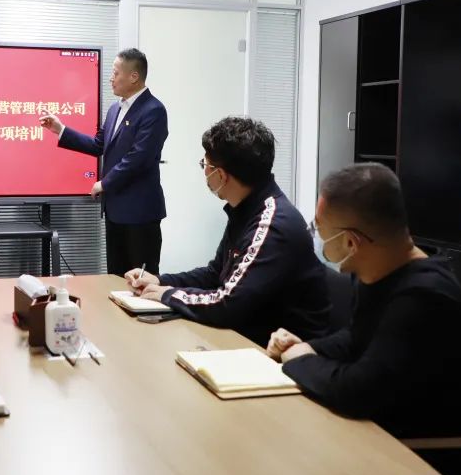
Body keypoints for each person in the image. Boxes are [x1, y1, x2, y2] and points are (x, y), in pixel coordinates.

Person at [261, 163, 461, 475]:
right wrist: (308, 347)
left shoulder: (423, 297)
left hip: (432, 473)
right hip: (393, 440)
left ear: (350, 242)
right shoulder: (384, 271)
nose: (318, 239)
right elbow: (357, 339)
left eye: (320, 230)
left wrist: (297, 361)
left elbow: (357, 390)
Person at [128, 116, 329, 348]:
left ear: (221, 175)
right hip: (247, 337)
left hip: (278, 354)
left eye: (205, 165)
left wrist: (167, 294)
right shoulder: (247, 208)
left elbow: (228, 304)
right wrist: (160, 280)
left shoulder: (271, 224)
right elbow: (216, 274)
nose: (204, 171)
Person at [39, 48, 168, 277]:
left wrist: (104, 183)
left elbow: (138, 158)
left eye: (116, 73)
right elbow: (99, 144)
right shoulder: (114, 109)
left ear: (134, 76)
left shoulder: (153, 110)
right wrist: (61, 130)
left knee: (141, 280)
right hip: (115, 210)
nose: (111, 78)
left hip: (140, 214)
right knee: (115, 278)